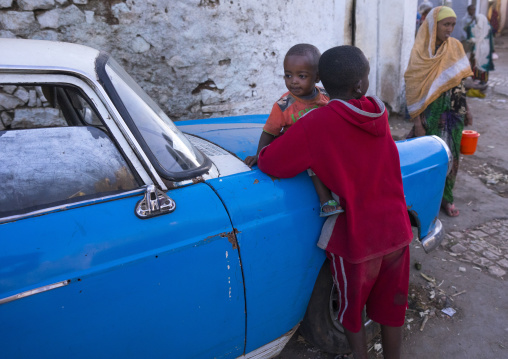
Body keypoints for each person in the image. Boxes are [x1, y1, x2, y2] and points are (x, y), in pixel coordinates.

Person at [258, 45, 413, 359]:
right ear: (359, 86)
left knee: (352, 310)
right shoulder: (378, 112)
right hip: (397, 230)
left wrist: (263, 151)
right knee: (392, 304)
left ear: (320, 82)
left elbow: (272, 163)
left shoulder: (315, 125)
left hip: (357, 239)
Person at [244, 43, 343, 217]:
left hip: (324, 144)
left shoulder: (327, 96)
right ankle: (325, 199)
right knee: (315, 159)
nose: (293, 81)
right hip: (297, 148)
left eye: (302, 76)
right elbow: (270, 131)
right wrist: (259, 154)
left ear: (317, 77)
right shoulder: (284, 105)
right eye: (288, 75)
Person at [405, 6, 473, 217]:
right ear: (434, 25)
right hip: (430, 114)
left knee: (451, 158)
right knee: (426, 157)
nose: (450, 29)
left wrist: (467, 109)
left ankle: (446, 198)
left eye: (453, 24)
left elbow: (460, 82)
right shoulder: (421, 52)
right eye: (446, 24)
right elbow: (413, 86)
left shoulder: (455, 47)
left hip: (454, 113)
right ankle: (422, 198)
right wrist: (417, 122)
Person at [466, 13, 495, 86]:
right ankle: (476, 78)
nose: (476, 21)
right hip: (477, 49)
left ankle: (483, 79)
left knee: (483, 64)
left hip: (485, 50)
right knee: (475, 63)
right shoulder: (474, 27)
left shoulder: (488, 28)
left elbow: (491, 40)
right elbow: (467, 30)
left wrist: (492, 50)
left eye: (477, 19)